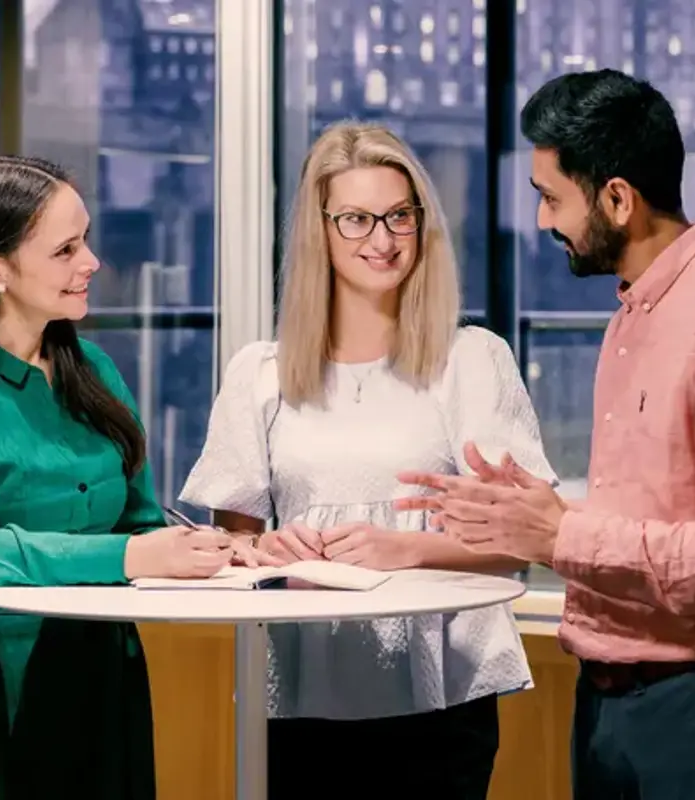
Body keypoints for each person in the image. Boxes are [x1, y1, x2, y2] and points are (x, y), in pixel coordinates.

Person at [398, 69, 695, 800]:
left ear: (618, 198)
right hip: (613, 704)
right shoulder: (636, 316)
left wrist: (562, 536)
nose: (541, 222)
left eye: (551, 198)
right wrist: (529, 517)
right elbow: (657, 519)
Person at [178, 121, 558, 799]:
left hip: (443, 697)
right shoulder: (257, 373)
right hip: (300, 694)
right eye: (356, 219)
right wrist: (272, 549)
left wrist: (405, 550)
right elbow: (232, 548)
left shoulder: (472, 360)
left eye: (398, 217)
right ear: (318, 230)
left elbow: (516, 546)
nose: (381, 240)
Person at [0, 155, 241, 800]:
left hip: (102, 682)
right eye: (65, 249)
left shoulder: (98, 374)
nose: (91, 262)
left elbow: (139, 523)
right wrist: (135, 554)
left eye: (84, 240)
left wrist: (227, 551)